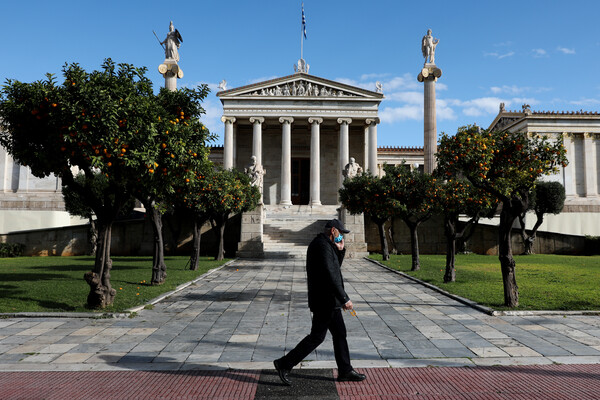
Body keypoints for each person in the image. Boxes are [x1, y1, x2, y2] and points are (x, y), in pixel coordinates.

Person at [273, 219, 366, 385]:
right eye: (340, 233)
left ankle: (345, 370)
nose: (341, 236)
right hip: (326, 301)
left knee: (339, 334)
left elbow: (334, 267)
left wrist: (340, 250)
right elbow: (330, 275)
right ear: (333, 231)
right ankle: (284, 364)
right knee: (317, 337)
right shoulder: (321, 246)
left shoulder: (325, 244)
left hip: (328, 300)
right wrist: (345, 298)